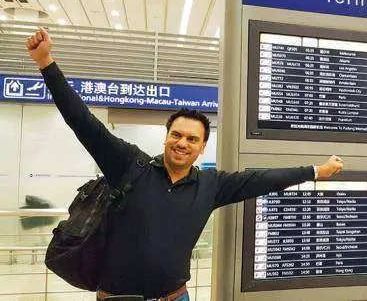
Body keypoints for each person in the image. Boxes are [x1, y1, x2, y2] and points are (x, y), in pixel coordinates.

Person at [25, 28, 344, 300]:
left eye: (192, 139)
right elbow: (84, 122)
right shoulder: (129, 165)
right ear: (166, 137)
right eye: (176, 135)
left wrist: (316, 171)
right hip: (118, 298)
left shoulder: (211, 185)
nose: (182, 143)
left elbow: (264, 179)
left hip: (177, 296)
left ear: (202, 147)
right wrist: (46, 63)